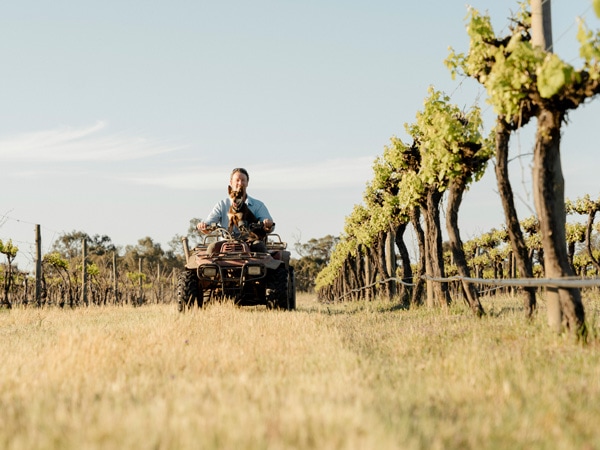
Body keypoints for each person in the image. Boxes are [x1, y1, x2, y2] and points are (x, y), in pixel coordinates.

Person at [197, 167, 274, 252]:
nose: (240, 183)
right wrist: (203, 226)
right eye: (237, 180)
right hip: (226, 242)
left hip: (250, 242)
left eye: (243, 180)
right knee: (212, 248)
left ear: (247, 183)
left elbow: (268, 224)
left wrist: (268, 224)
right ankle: (210, 266)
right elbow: (209, 224)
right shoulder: (222, 205)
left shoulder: (258, 205)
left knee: (259, 247)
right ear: (231, 183)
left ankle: (260, 265)